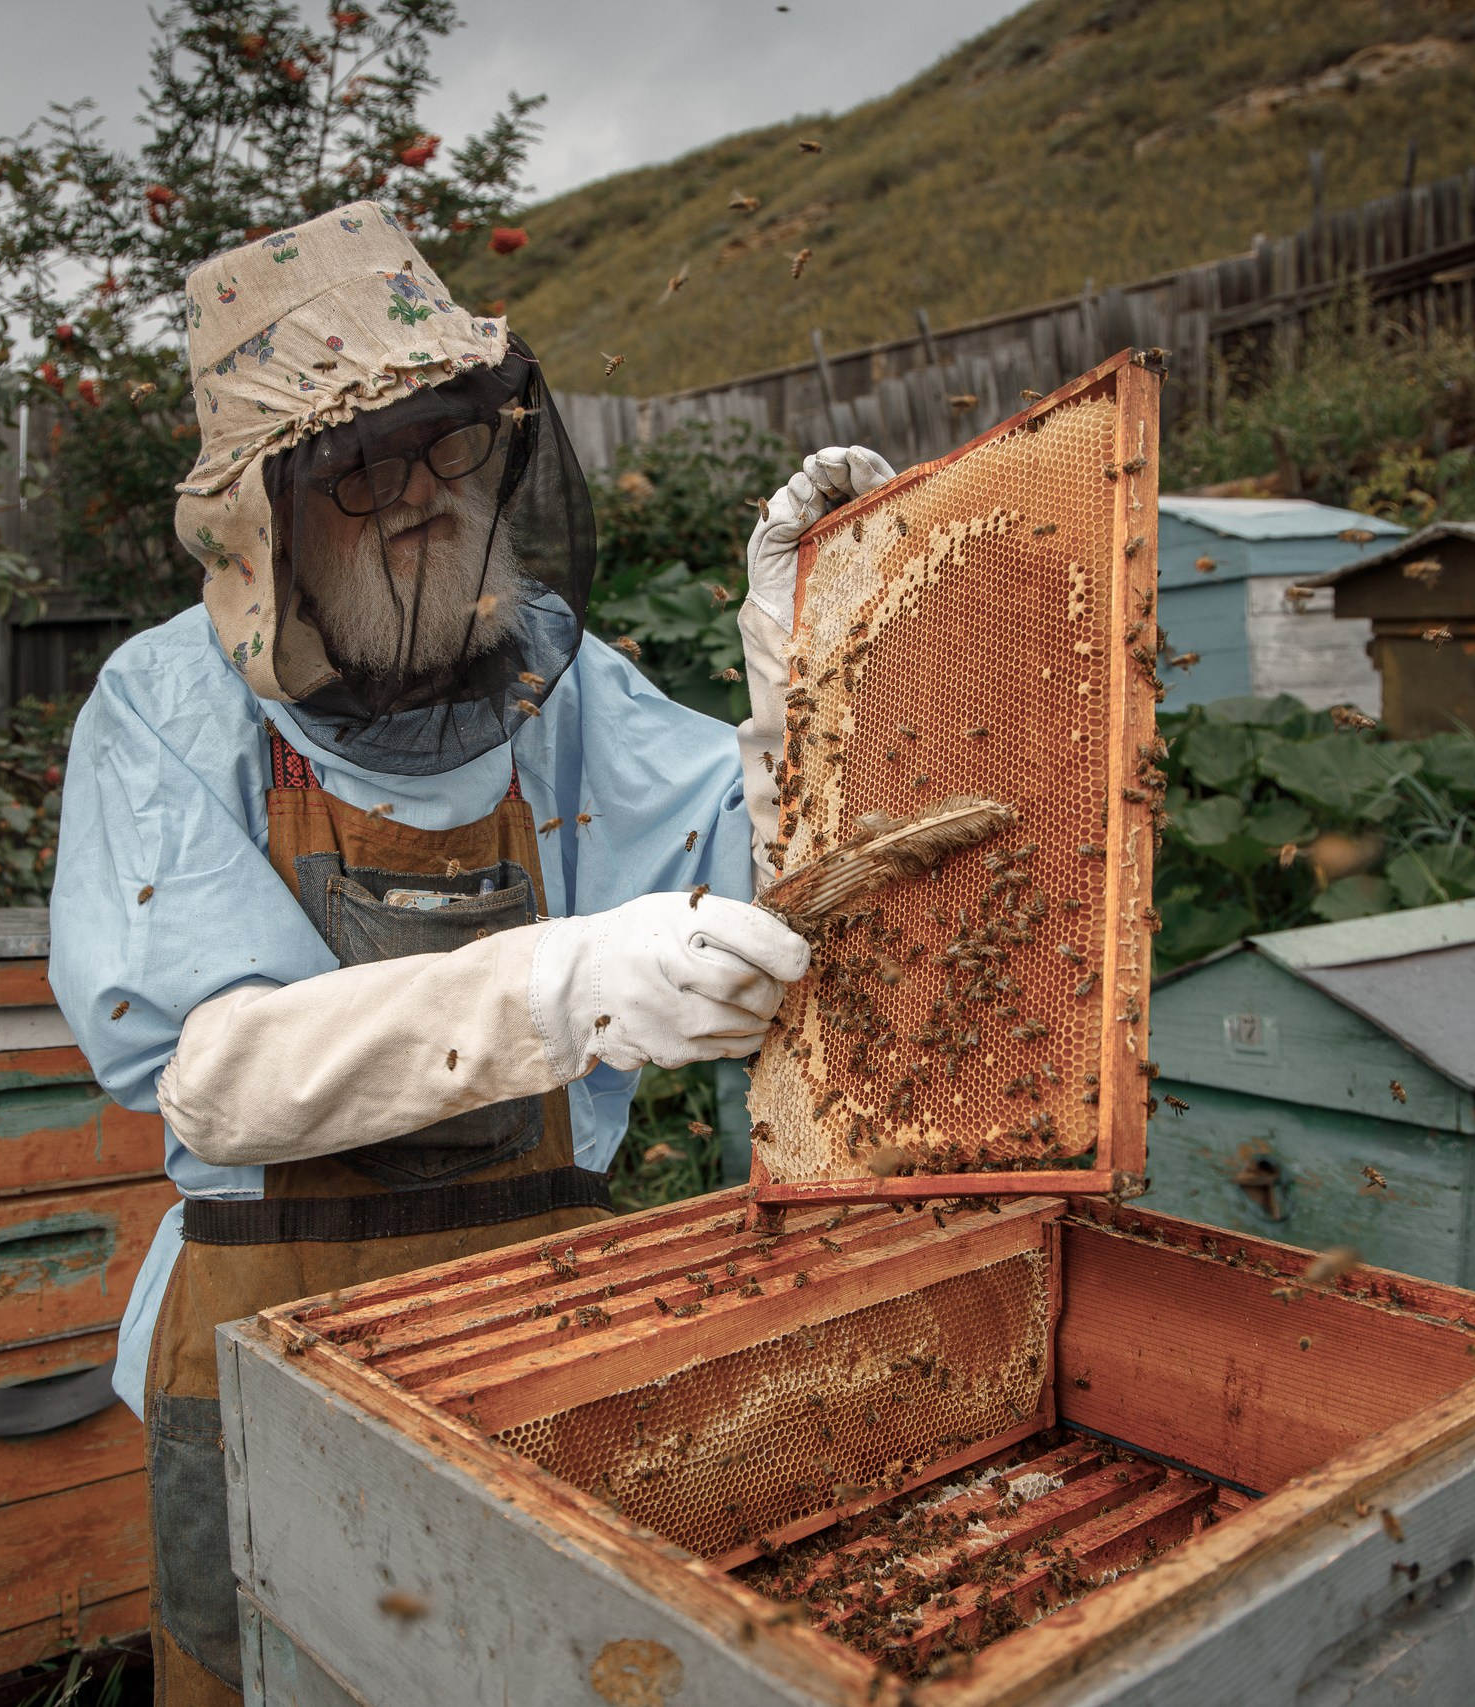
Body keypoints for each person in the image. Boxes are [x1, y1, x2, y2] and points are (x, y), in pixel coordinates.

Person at [47, 199, 894, 1707]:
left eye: (448, 443)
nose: (416, 494)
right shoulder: (168, 712)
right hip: (267, 1337)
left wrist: (820, 660)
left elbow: (784, 880)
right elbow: (218, 1080)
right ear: (268, 517)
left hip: (540, 1320)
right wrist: (555, 986)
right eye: (356, 465)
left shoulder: (568, 692)